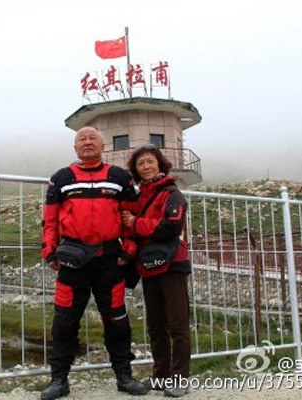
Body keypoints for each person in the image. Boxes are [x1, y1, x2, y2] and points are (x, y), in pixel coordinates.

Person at [40, 126, 148, 400]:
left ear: (102, 145)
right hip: (72, 260)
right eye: (82, 139)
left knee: (116, 320)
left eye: (93, 139)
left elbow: (130, 216)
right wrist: (49, 252)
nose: (87, 142)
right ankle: (59, 380)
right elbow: (50, 220)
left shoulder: (119, 177)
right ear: (75, 147)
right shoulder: (61, 178)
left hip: (109, 260)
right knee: (64, 322)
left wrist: (130, 249)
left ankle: (124, 377)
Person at [121, 144, 191, 398]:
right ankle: (160, 376)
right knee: (156, 324)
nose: (146, 167)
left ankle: (180, 378)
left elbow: (171, 226)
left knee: (177, 322)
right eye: (141, 164)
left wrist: (136, 223)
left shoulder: (172, 193)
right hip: (149, 266)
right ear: (136, 170)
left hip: (172, 264)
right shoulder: (140, 198)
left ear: (160, 164)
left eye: (151, 161)